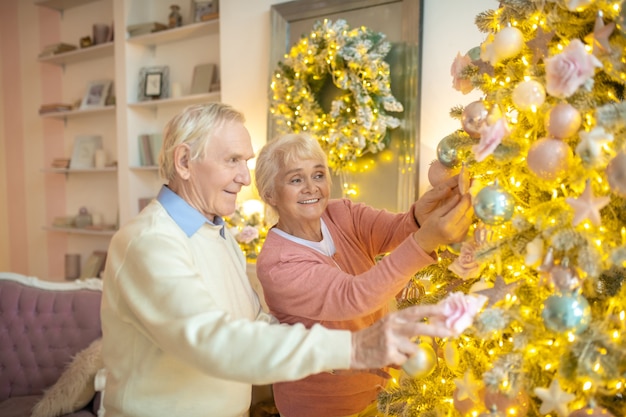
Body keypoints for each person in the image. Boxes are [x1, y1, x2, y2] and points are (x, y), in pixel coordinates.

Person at [99, 103, 458, 417]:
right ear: (184, 162)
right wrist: (352, 347)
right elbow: (214, 342)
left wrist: (338, 360)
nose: (243, 177)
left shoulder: (216, 233)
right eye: (232, 161)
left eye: (246, 161)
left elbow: (254, 323)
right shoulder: (150, 243)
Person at [254, 133, 474, 417]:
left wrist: (420, 215)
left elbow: (396, 229)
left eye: (318, 175)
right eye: (296, 180)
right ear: (270, 194)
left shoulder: (341, 213)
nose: (312, 188)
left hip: (379, 394)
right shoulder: (278, 262)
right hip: (321, 406)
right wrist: (425, 241)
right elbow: (354, 296)